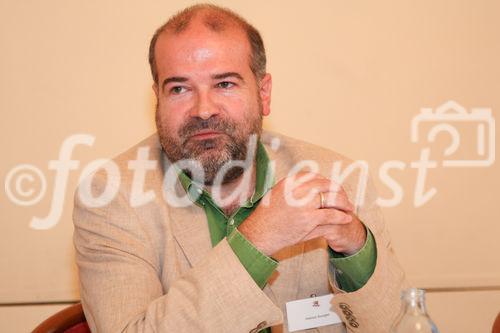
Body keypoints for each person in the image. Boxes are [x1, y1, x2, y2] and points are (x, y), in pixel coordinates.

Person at [73, 4, 407, 333]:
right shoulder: (110, 197)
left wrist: (355, 247)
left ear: (263, 93)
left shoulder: (337, 176)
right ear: (157, 99)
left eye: (225, 84)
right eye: (179, 88)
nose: (203, 110)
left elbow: (405, 326)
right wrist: (260, 238)